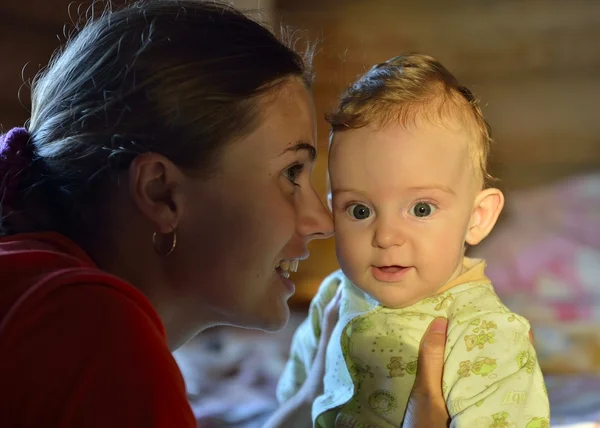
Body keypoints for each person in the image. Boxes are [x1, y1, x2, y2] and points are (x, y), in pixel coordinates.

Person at [0, 1, 451, 427]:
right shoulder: (97, 340)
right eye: (291, 173)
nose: (322, 221)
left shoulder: (47, 298)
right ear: (160, 193)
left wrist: (314, 402)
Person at [276, 53, 549, 427]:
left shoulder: (486, 334)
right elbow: (293, 405)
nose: (386, 236)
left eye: (421, 209)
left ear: (477, 218)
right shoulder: (335, 297)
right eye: (359, 210)